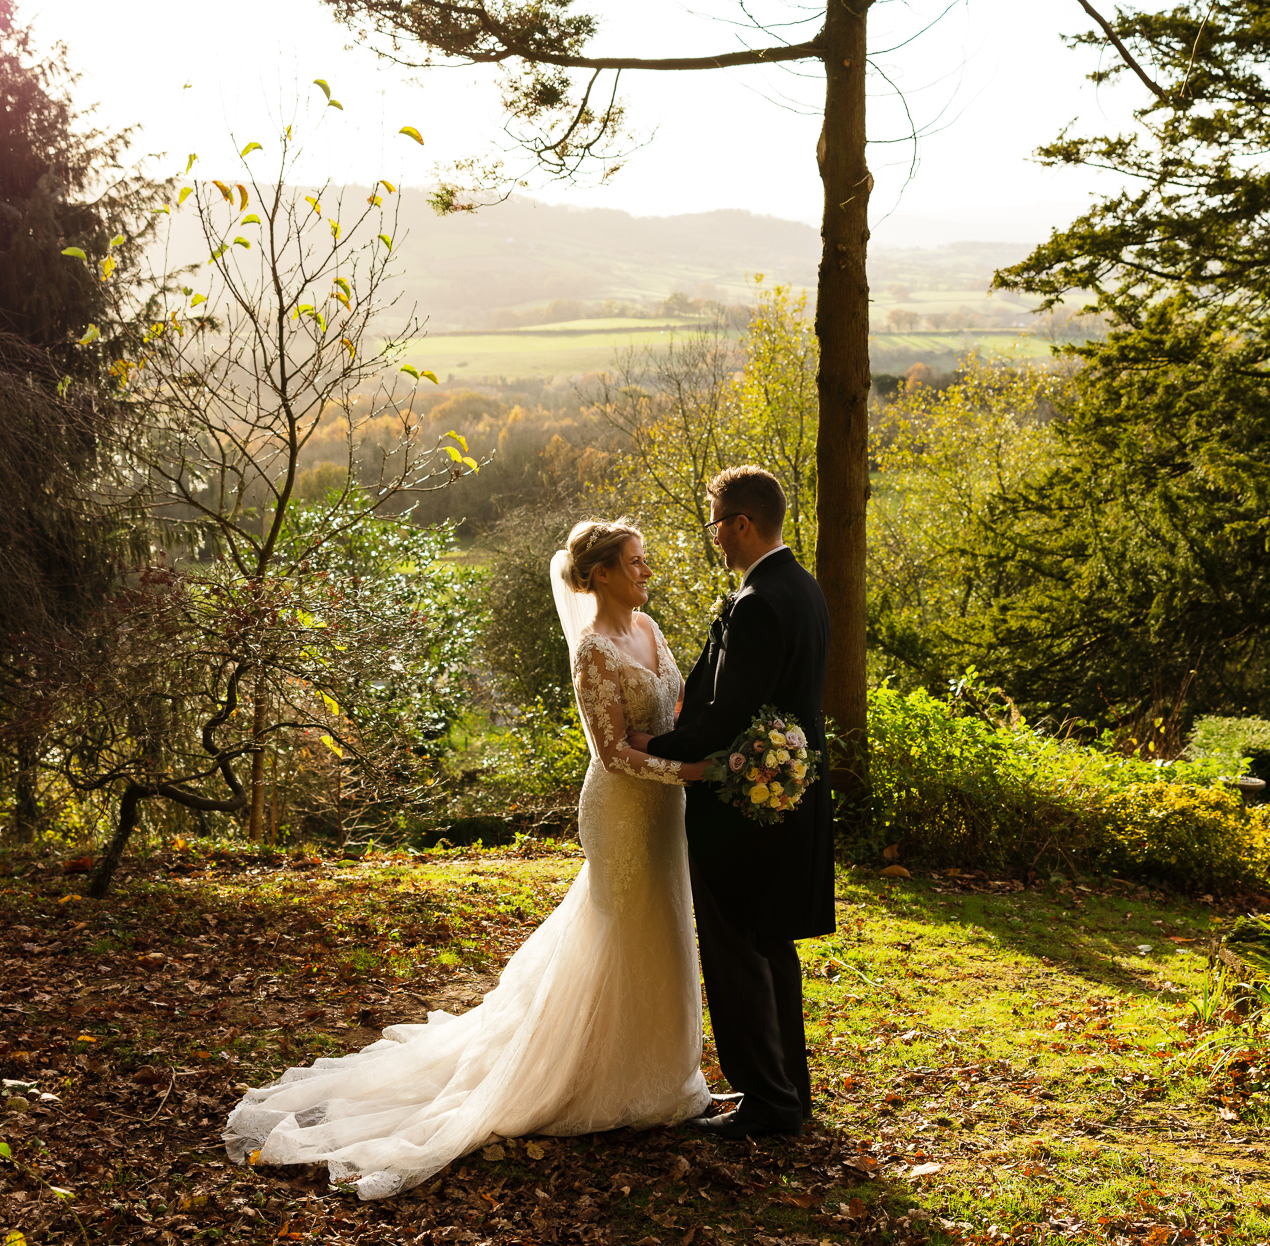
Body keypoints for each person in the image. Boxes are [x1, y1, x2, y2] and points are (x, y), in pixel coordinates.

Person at [222, 518, 712, 1199]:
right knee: (623, 932)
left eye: (644, 561)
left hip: (665, 811)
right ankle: (599, 1081)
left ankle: (660, 1076)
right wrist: (685, 770)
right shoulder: (594, 651)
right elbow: (612, 753)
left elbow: (676, 705)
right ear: (599, 574)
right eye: (634, 562)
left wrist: (697, 747)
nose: (646, 572)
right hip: (624, 810)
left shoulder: (651, 630)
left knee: (662, 929)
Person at [632, 465, 833, 1140]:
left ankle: (768, 1103)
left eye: (716, 524)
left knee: (739, 955)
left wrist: (653, 742)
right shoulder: (804, 589)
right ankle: (788, 1095)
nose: (715, 538)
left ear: (741, 524)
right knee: (771, 948)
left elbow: (724, 717)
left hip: (741, 811)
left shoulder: (755, 604)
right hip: (786, 801)